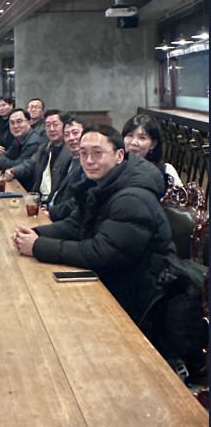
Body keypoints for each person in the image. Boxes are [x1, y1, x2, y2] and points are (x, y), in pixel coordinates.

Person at [12, 126, 175, 331]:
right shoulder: (100, 183)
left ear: (119, 155)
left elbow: (102, 252)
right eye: (83, 153)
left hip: (138, 297)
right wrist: (35, 233)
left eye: (97, 153)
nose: (89, 160)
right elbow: (75, 224)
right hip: (111, 279)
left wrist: (38, 246)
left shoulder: (132, 198)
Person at [15, 109, 71, 197]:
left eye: (55, 125)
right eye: (48, 125)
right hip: (38, 197)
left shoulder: (70, 152)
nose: (51, 129)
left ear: (65, 127)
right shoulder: (44, 147)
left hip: (53, 200)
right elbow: (31, 163)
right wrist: (13, 171)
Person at [121, 114, 183, 190]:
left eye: (142, 138)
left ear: (153, 144)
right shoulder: (114, 167)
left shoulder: (167, 171)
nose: (134, 142)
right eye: (130, 135)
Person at [46, 115, 86, 221]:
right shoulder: (69, 160)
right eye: (67, 134)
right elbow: (56, 191)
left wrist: (51, 213)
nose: (71, 138)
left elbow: (77, 202)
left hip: (65, 220)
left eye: (75, 133)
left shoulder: (87, 165)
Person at [0, 109, 40, 183]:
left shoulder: (34, 142)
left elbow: (18, 164)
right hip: (15, 180)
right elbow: (6, 155)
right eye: (12, 123)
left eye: (19, 121)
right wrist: (0, 160)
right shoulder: (18, 137)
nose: (15, 126)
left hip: (26, 185)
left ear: (29, 122)